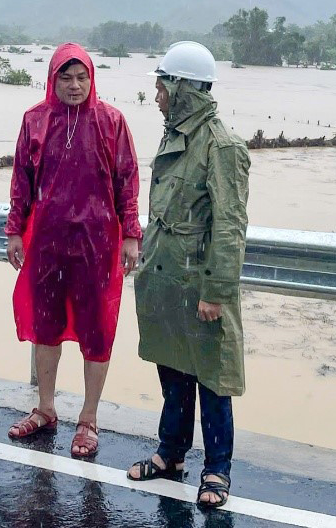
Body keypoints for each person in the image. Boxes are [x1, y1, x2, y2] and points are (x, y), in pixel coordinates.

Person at [128, 41, 250, 509]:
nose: (157, 95)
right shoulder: (175, 133)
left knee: (212, 379)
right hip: (166, 277)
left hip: (199, 281)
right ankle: (170, 455)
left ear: (183, 88)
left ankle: (217, 469)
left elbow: (230, 224)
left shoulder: (221, 145)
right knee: (173, 370)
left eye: (162, 85)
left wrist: (216, 291)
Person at [4, 43, 141, 458]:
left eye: (82, 77)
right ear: (53, 79)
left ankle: (88, 418)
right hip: (46, 241)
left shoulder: (111, 122)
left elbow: (127, 181)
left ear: (92, 79)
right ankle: (45, 408)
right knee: (46, 326)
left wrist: (131, 234)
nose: (75, 85)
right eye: (66, 77)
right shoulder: (35, 121)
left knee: (96, 329)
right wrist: (14, 231)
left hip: (98, 243)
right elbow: (21, 182)